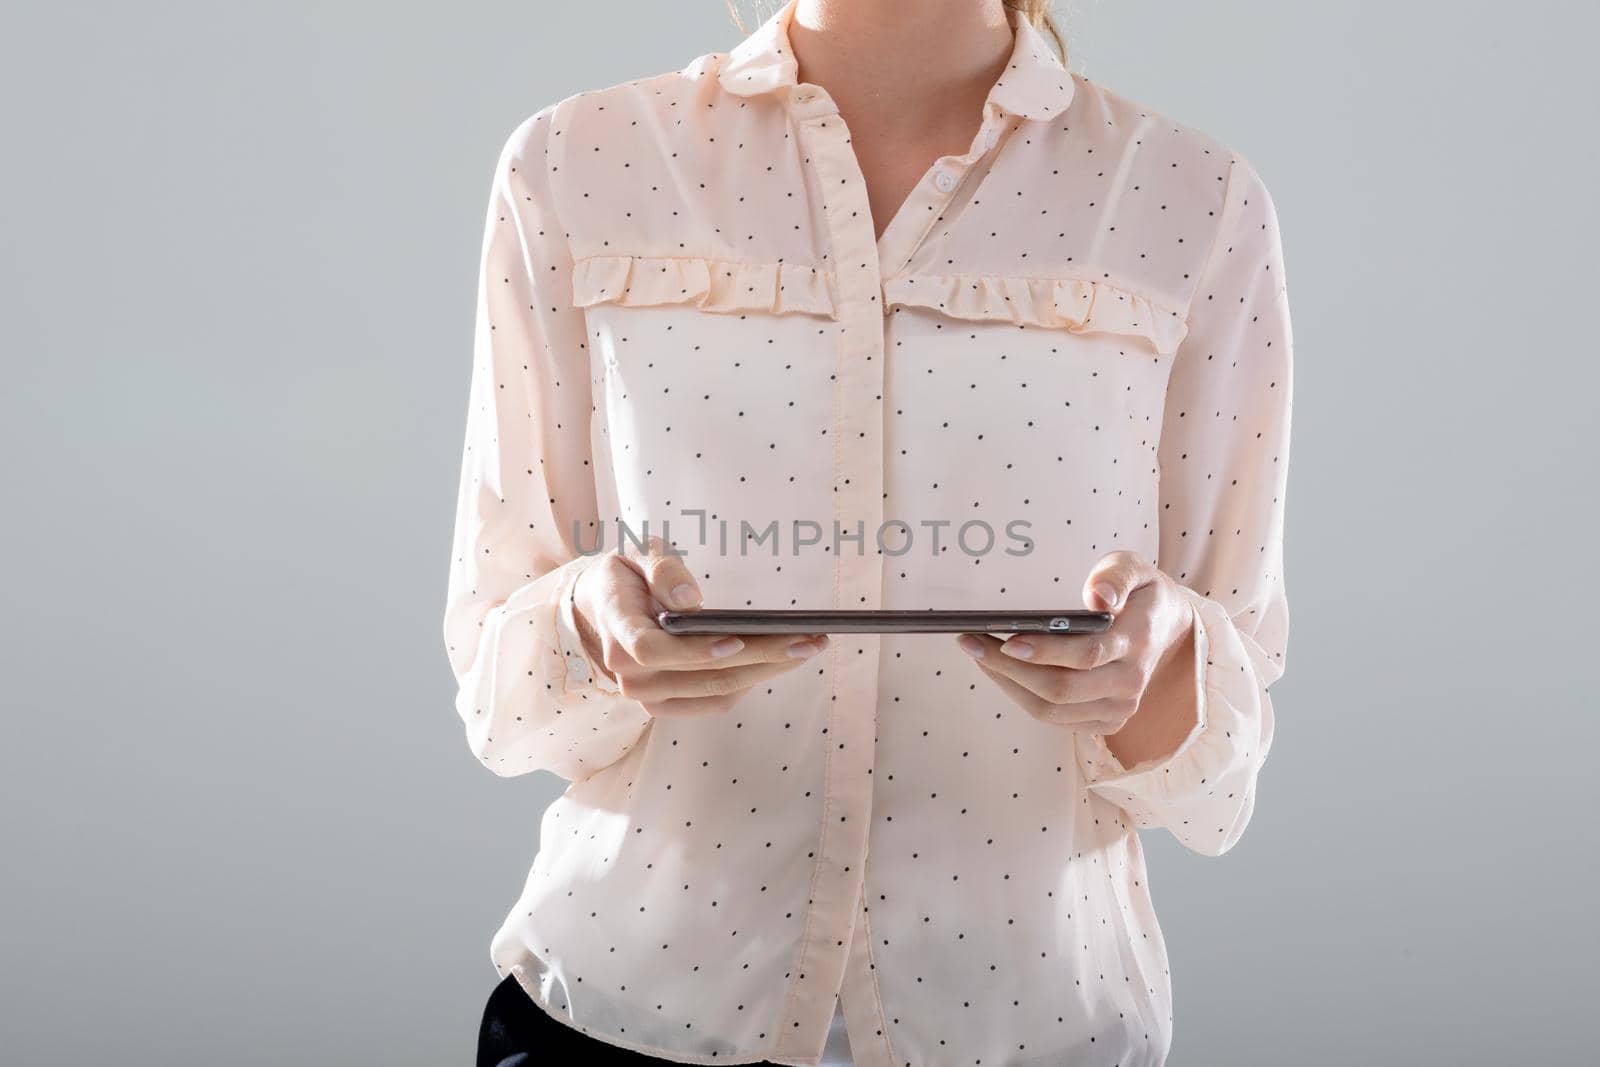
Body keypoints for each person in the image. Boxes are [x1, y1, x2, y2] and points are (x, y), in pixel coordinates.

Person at [444, 0, 1294, 1063]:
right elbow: (497, 696)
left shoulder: (1191, 198)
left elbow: (1221, 776)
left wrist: (1163, 667)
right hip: (623, 1011)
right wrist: (588, 626)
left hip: (1030, 1021)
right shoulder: (578, 164)